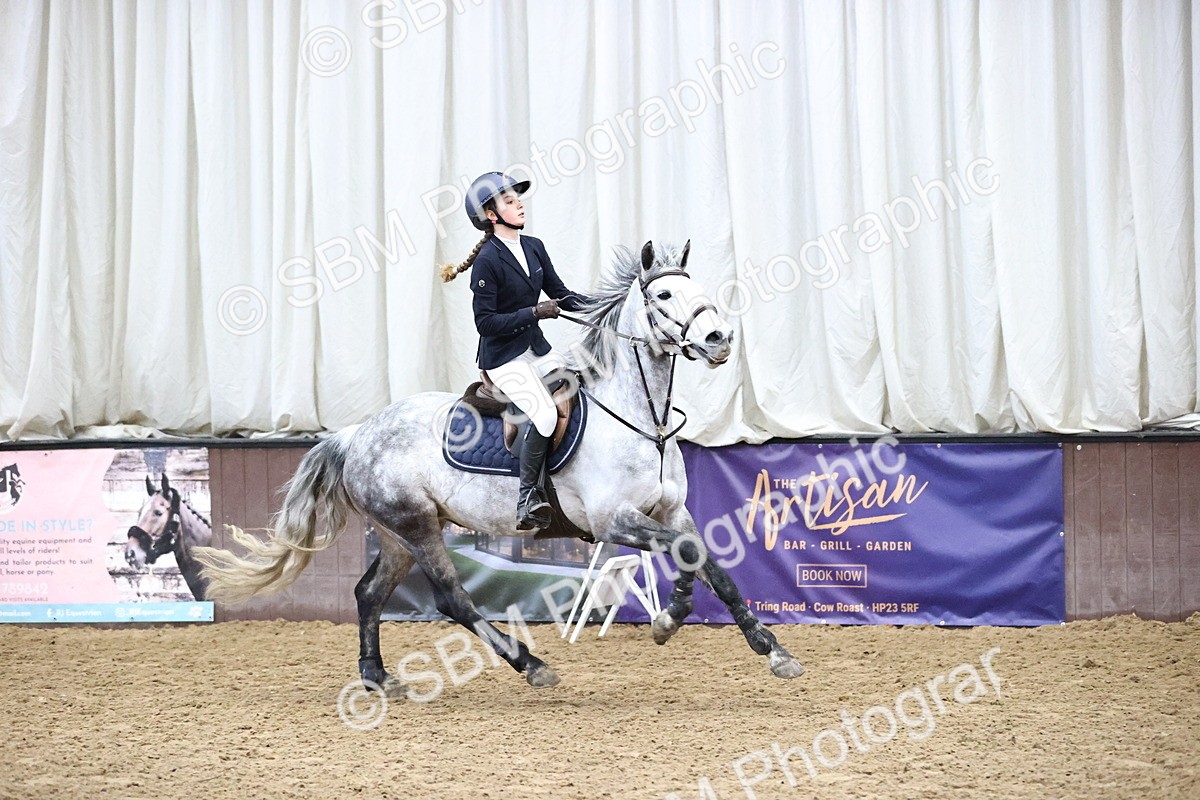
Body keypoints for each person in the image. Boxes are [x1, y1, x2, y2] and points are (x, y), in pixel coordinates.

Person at [440, 172, 590, 530]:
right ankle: (527, 499)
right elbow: (485, 323)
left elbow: (561, 292)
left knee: (579, 388)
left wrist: (606, 305)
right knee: (544, 414)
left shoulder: (534, 246)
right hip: (503, 358)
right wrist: (535, 312)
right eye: (509, 201)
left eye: (517, 199)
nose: (518, 204)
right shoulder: (487, 260)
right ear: (491, 215)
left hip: (536, 349)